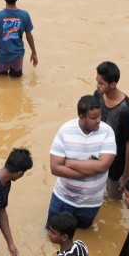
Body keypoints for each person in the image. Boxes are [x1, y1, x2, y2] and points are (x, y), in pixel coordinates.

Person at [47, 94, 116, 229]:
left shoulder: (107, 132)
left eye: (99, 116)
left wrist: (69, 162)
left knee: (82, 235)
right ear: (81, 116)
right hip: (63, 199)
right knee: (52, 234)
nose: (98, 121)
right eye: (93, 118)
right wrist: (89, 170)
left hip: (91, 203)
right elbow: (55, 168)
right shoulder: (65, 131)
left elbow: (103, 166)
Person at [96, 61, 129, 197]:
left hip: (116, 166)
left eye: (101, 83)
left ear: (113, 84)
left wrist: (126, 175)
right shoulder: (97, 96)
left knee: (114, 199)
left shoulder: (125, 108)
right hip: (96, 159)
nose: (97, 86)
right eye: (97, 81)